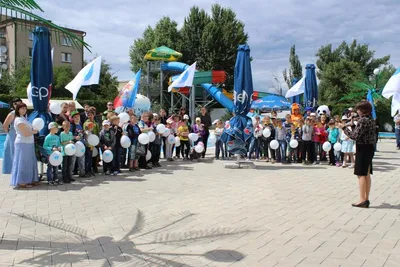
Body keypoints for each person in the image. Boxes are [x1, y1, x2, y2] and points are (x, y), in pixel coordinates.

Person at [341, 101, 376, 208]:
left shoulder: (362, 121)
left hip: (362, 148)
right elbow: (361, 133)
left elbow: (355, 136)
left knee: (361, 174)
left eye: (358, 109)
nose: (357, 111)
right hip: (370, 147)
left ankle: (362, 199)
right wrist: (352, 126)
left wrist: (343, 128)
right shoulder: (371, 120)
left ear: (362, 110)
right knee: (367, 174)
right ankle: (366, 198)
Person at [11, 103, 39, 188]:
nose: (24, 110)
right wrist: (34, 132)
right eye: (22, 108)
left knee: (29, 162)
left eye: (25, 108)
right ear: (18, 110)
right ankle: (22, 181)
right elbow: (25, 133)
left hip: (29, 143)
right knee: (23, 162)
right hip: (22, 143)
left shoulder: (24, 119)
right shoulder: (18, 120)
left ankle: (29, 179)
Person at [2, 98, 22, 174]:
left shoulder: (23, 113)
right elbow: (5, 125)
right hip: (13, 134)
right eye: (15, 104)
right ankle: (11, 170)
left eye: (19, 103)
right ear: (13, 105)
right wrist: (10, 133)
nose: (17, 105)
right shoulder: (12, 114)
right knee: (11, 152)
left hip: (20, 134)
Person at [70, 111, 85, 177]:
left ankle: (82, 173)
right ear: (72, 118)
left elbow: (81, 134)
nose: (77, 118)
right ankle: (70, 174)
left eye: (78, 117)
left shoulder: (80, 125)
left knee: (82, 159)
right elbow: (69, 135)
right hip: (74, 145)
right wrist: (75, 137)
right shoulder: (72, 126)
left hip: (81, 145)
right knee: (73, 160)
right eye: (75, 117)